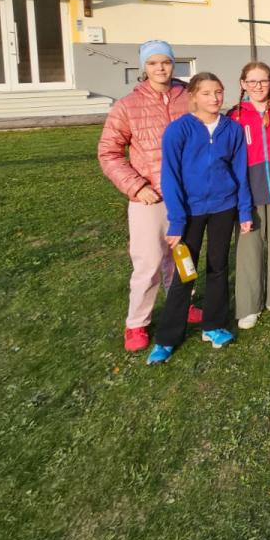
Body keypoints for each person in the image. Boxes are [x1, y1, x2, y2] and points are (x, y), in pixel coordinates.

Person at [98, 39, 199, 353]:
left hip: (187, 194)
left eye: (165, 62)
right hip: (150, 196)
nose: (160, 68)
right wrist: (136, 186)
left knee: (182, 256)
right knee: (149, 261)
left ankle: (182, 304)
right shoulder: (127, 105)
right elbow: (109, 152)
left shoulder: (189, 97)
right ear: (145, 66)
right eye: (153, 63)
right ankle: (137, 323)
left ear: (173, 64)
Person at [146, 74, 253, 365]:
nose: (214, 98)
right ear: (192, 96)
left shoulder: (232, 129)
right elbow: (170, 176)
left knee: (218, 267)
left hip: (223, 208)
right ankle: (167, 338)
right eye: (206, 93)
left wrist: (244, 211)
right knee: (186, 272)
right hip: (189, 212)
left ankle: (213, 326)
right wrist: (177, 221)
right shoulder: (178, 130)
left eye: (218, 92)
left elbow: (240, 172)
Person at [228, 61, 270, 329]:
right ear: (243, 84)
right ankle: (249, 305)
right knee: (249, 247)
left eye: (264, 80)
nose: (258, 86)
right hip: (248, 192)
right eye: (252, 81)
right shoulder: (234, 116)